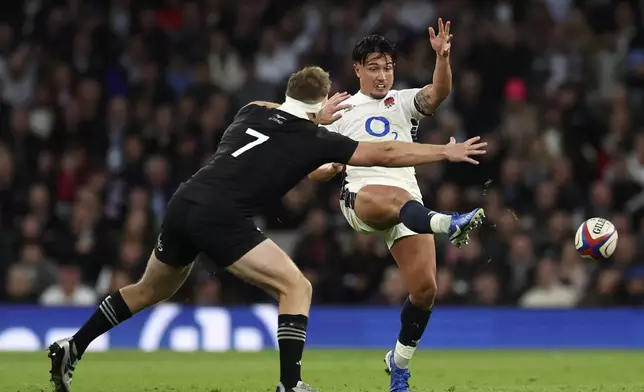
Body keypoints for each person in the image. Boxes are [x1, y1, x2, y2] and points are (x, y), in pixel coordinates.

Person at [46, 66, 486, 392]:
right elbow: (388, 153)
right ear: (323, 103)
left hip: (185, 200)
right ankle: (290, 385)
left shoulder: (251, 109)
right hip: (222, 215)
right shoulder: (317, 141)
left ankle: (74, 345)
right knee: (297, 288)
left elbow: (285, 113)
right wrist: (441, 154)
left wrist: (316, 112)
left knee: (148, 290)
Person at [308, 19, 480, 392]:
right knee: (395, 197)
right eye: (374, 68)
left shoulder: (402, 102)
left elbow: (438, 93)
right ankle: (447, 223)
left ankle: (398, 363)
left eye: (388, 67)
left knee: (425, 291)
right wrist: (331, 164)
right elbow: (314, 172)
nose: (382, 75)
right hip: (362, 198)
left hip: (409, 206)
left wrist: (443, 57)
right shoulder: (338, 110)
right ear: (357, 69)